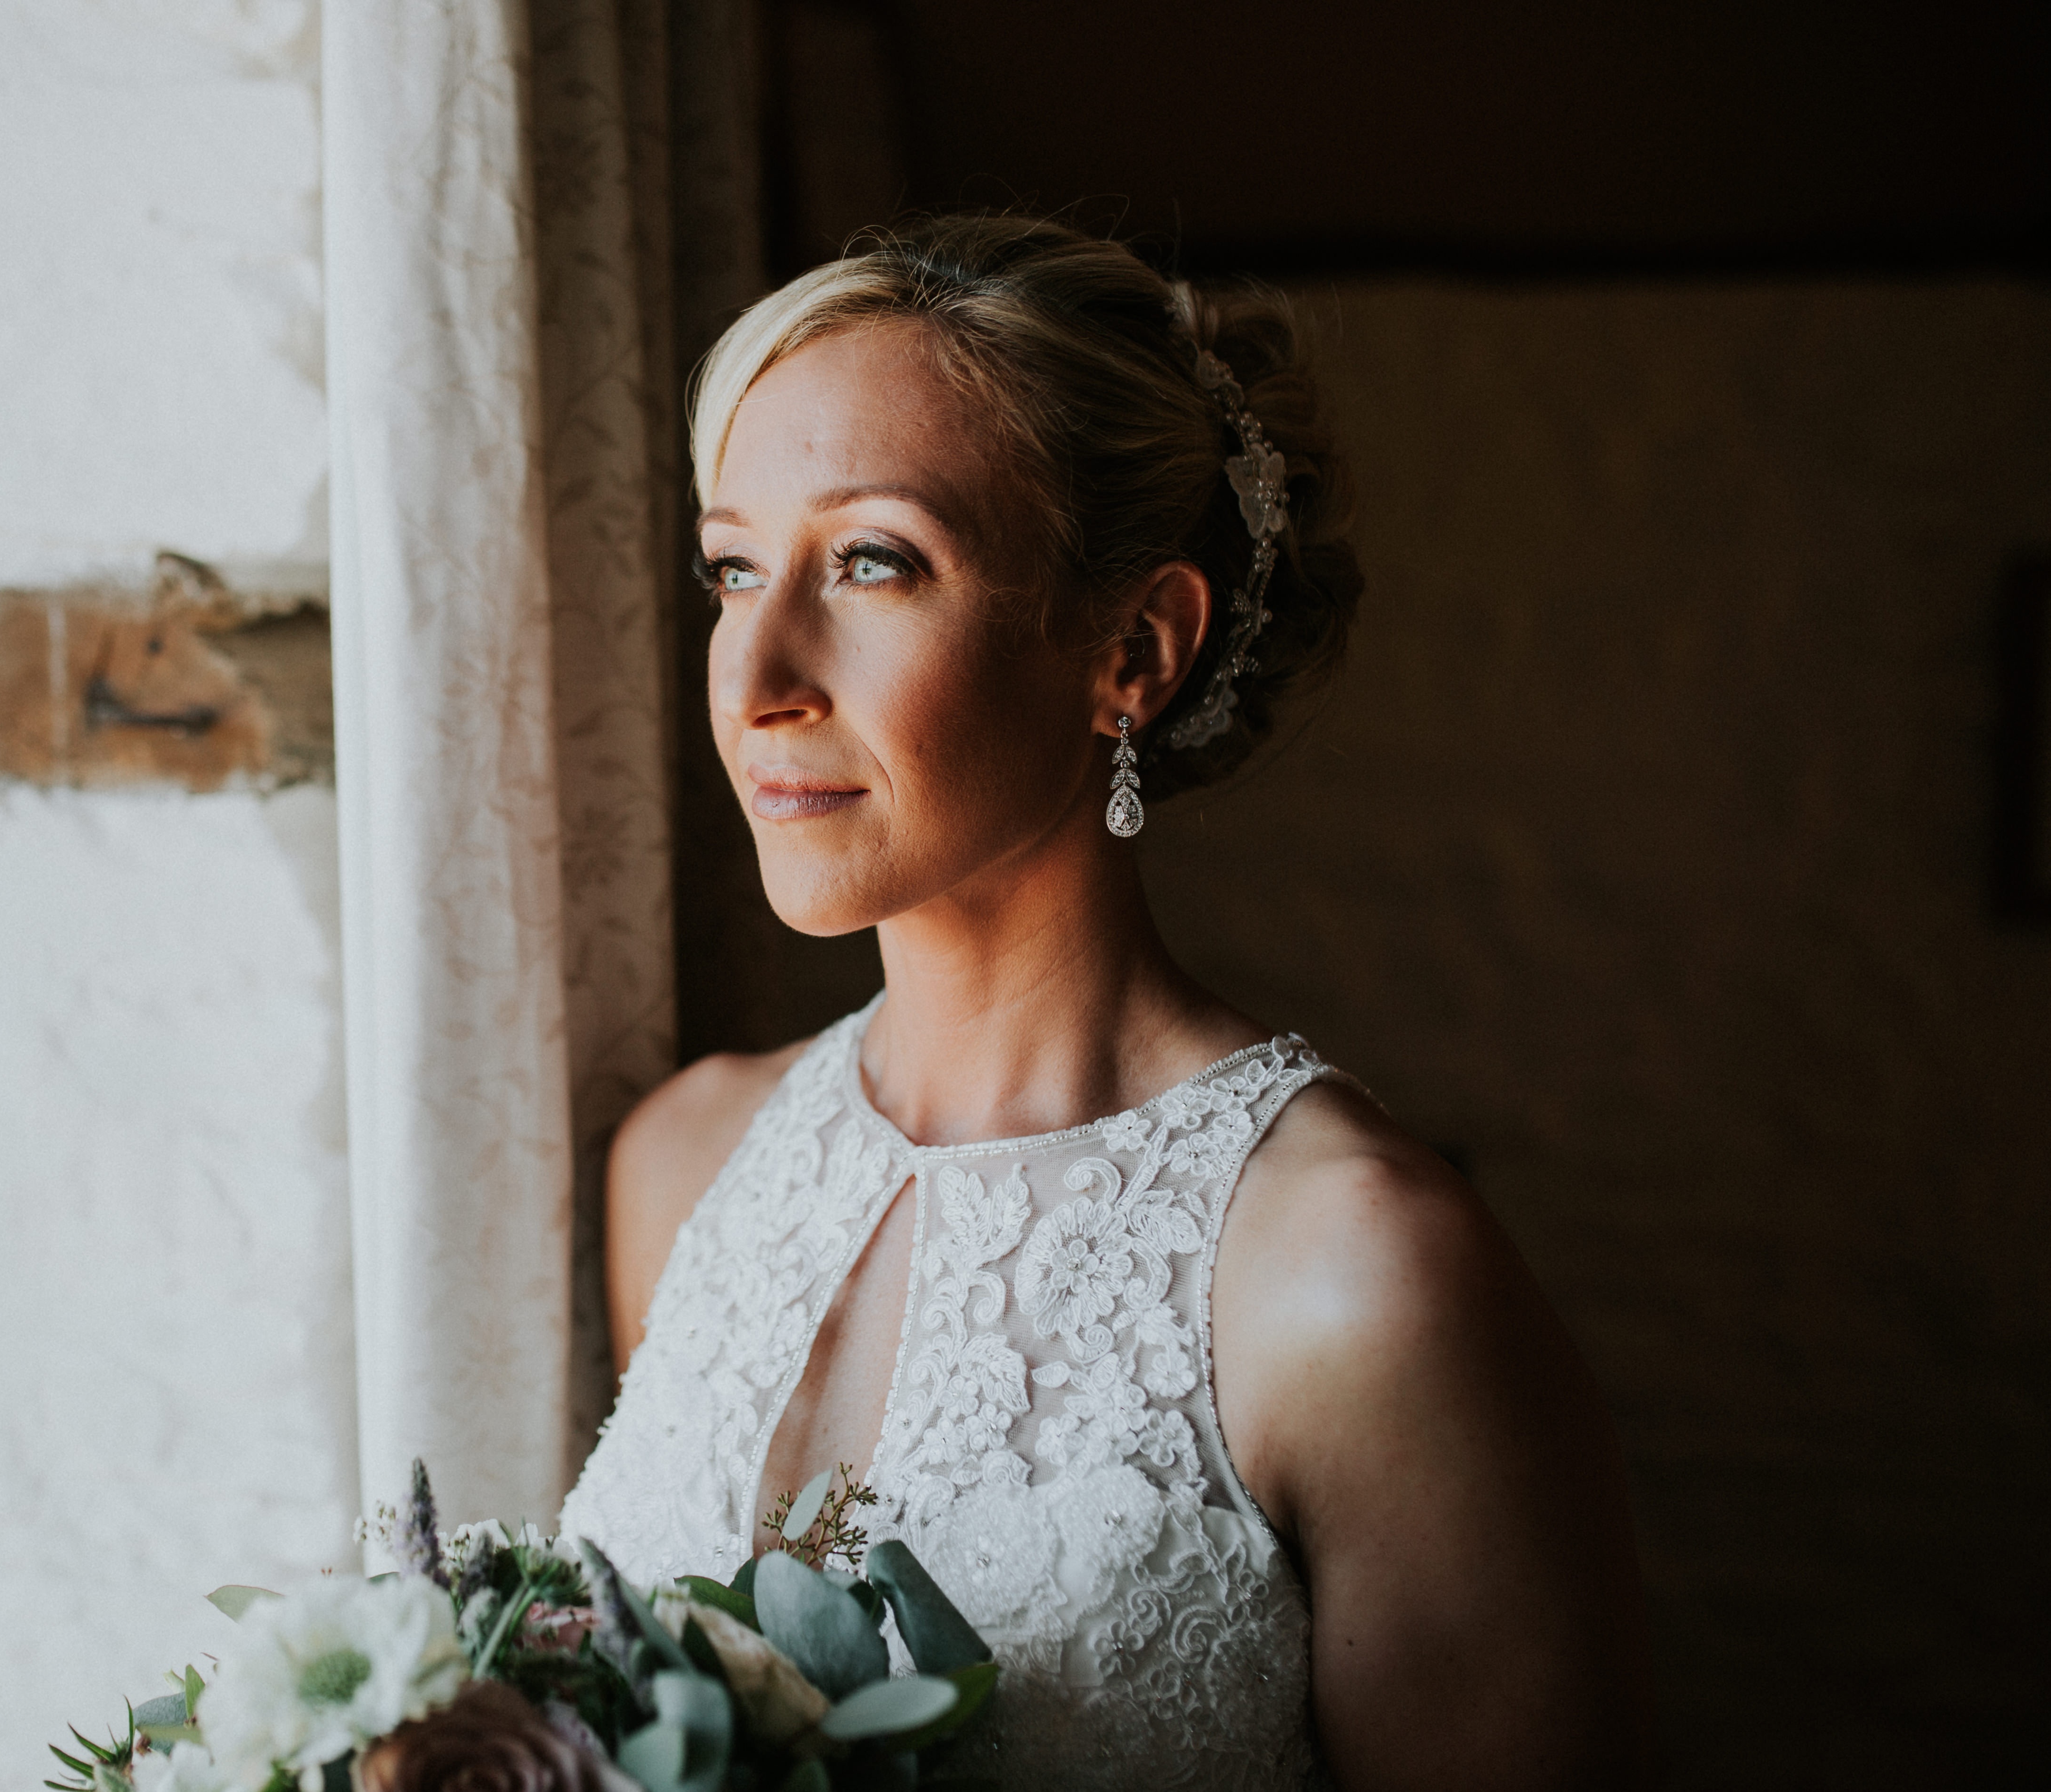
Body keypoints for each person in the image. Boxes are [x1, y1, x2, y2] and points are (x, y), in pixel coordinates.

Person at [559, 216, 1654, 1789]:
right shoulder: (681, 1168)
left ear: (1133, 649)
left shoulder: (1357, 1276)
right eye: (735, 569)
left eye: (872, 561)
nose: (756, 675)